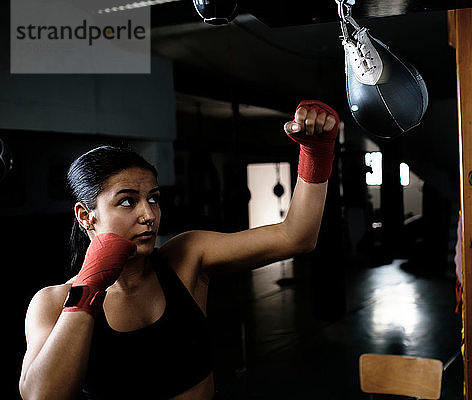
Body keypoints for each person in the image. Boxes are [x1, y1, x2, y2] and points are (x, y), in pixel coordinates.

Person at [19, 100, 340, 400]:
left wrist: (316, 152)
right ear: (86, 216)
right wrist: (87, 290)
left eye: (154, 198)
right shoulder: (52, 302)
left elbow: (296, 236)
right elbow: (40, 395)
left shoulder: (186, 257)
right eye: (127, 201)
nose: (148, 214)